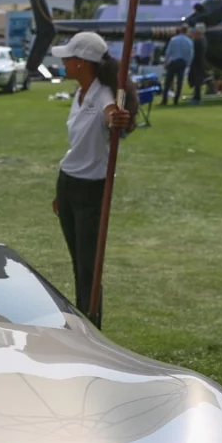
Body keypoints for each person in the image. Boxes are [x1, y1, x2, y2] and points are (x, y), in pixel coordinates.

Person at [50, 32, 130, 328]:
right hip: (69, 181)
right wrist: (62, 194)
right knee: (77, 261)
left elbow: (113, 116)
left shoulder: (105, 95)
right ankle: (83, 320)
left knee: (89, 267)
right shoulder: (80, 92)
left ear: (82, 63)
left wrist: (118, 120)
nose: (64, 63)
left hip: (91, 190)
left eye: (68, 58)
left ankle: (92, 324)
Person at [161, 24, 193, 105]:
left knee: (168, 82)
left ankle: (164, 100)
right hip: (182, 62)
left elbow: (168, 52)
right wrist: (188, 63)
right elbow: (190, 54)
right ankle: (176, 100)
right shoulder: (189, 41)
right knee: (179, 82)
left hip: (173, 62)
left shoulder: (173, 40)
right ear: (187, 31)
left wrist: (165, 62)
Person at [189, 23, 209, 102]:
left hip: (197, 62)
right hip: (200, 62)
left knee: (197, 80)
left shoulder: (198, 41)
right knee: (196, 79)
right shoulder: (203, 40)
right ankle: (196, 96)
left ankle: (197, 97)